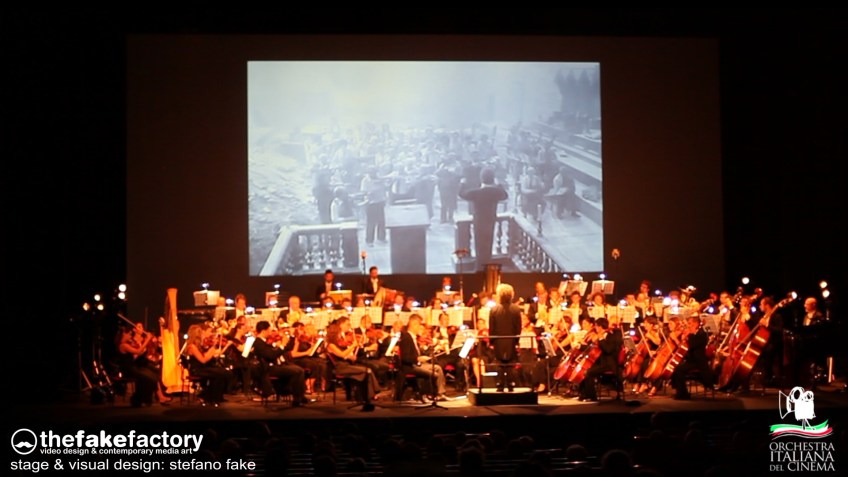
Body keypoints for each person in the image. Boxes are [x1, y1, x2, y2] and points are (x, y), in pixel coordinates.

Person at [458, 168, 508, 271]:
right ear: (493, 179)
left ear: (481, 179)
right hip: (491, 221)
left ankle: (479, 268)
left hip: (479, 222)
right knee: (488, 244)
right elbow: (505, 195)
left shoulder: (476, 192)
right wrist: (499, 184)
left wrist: (462, 183)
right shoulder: (496, 192)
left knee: (479, 246)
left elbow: (462, 194)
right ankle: (487, 266)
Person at [326, 317, 380, 411]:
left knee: (365, 373)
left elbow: (345, 354)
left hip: (346, 365)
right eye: (338, 334)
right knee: (367, 371)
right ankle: (374, 392)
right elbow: (342, 354)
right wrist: (353, 345)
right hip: (340, 368)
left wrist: (351, 355)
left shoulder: (339, 342)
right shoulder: (330, 345)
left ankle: (366, 400)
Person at [251, 321, 309, 406]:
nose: (270, 332)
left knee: (299, 370)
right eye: (269, 330)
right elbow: (271, 355)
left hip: (275, 366)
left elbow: (284, 349)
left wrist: (290, 338)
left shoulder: (263, 341)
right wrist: (282, 345)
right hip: (269, 369)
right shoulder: (258, 343)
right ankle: (297, 398)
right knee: (297, 371)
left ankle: (299, 396)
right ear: (264, 331)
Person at [399, 314, 447, 400]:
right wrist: (417, 359)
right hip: (410, 366)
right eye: (419, 324)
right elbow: (405, 357)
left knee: (437, 368)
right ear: (414, 324)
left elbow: (416, 353)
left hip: (416, 364)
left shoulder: (413, 338)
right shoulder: (406, 337)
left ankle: (440, 394)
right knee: (433, 373)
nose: (420, 327)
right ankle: (424, 395)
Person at [184, 324, 233, 406]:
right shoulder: (192, 347)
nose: (202, 335)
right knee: (220, 373)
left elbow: (207, 356)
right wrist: (212, 349)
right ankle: (209, 396)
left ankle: (212, 396)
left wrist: (212, 349)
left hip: (203, 368)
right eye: (201, 333)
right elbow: (203, 360)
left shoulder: (198, 345)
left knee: (223, 373)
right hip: (197, 370)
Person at [577, 317, 623, 402]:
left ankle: (592, 396)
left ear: (600, 327)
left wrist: (601, 338)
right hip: (601, 362)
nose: (595, 328)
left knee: (588, 372)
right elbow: (592, 348)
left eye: (596, 326)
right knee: (583, 369)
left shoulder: (612, 336)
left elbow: (608, 349)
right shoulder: (598, 336)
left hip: (609, 364)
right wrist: (582, 345)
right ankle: (583, 394)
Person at [114, 326, 160, 407]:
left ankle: (145, 398)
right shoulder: (123, 345)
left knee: (152, 376)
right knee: (147, 377)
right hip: (128, 369)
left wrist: (143, 344)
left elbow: (137, 354)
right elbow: (138, 351)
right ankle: (137, 398)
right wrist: (147, 340)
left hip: (133, 367)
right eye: (128, 334)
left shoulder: (127, 344)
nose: (130, 336)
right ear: (123, 335)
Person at [488, 283, 522, 392]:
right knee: (511, 363)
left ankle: (500, 385)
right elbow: (518, 327)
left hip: (498, 341)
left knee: (500, 363)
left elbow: (492, 328)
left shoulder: (494, 310)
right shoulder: (516, 309)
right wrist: (516, 340)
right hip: (511, 340)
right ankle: (511, 385)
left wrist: (491, 341)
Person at [671, 316, 713, 400]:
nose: (688, 326)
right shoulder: (693, 334)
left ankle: (683, 394)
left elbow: (691, 346)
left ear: (696, 324)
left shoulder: (702, 334)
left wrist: (686, 336)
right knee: (676, 367)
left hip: (698, 362)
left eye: (690, 323)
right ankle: (680, 391)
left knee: (678, 369)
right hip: (691, 361)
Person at [360, 167, 387, 246]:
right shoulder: (365, 180)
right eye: (372, 172)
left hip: (380, 201)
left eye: (374, 172)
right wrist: (370, 192)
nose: (373, 174)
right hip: (371, 203)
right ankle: (369, 240)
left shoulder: (380, 179)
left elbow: (384, 188)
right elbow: (363, 191)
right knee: (371, 222)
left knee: (381, 221)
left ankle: (381, 238)